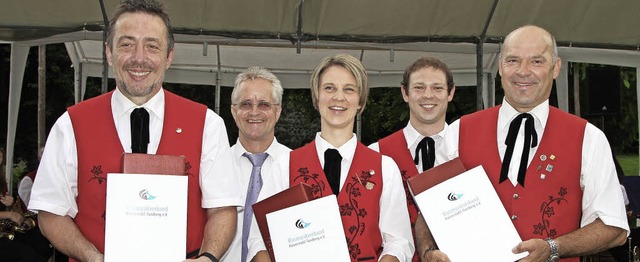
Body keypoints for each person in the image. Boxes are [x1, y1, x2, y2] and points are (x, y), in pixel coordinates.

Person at [28, 0, 242, 261]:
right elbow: (50, 212)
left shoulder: (207, 124)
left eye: (152, 46)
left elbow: (222, 209)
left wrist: (208, 258)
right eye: (126, 44)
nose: (139, 58)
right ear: (109, 53)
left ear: (169, 57)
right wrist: (93, 257)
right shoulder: (70, 124)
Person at [431, 25, 629, 261]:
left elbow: (613, 228)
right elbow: (429, 211)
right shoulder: (457, 133)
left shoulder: (589, 138)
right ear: (500, 67)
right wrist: (427, 251)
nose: (523, 72)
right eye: (513, 60)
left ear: (556, 68)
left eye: (537, 61)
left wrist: (554, 247)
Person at [248, 54, 414, 261]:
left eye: (349, 89)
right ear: (316, 97)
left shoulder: (385, 168)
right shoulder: (285, 166)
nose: (339, 97)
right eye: (329, 88)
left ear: (360, 101)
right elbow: (260, 239)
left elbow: (399, 242)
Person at [368, 57, 455, 261]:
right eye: (418, 87)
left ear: (450, 93)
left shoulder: (467, 149)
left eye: (437, 88)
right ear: (404, 93)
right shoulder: (376, 155)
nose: (428, 95)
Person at [222, 66, 291, 262]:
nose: (254, 112)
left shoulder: (297, 168)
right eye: (246, 104)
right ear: (233, 111)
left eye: (264, 104)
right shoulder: (213, 167)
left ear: (277, 111)